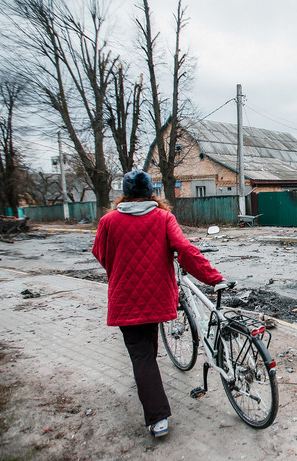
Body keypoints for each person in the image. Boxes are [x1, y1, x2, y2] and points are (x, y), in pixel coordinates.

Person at [92, 170, 224, 438]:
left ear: (125, 194)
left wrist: (117, 271)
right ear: (152, 192)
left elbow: (100, 253)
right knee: (147, 348)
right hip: (157, 296)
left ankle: (158, 418)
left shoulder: (108, 221)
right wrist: (213, 277)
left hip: (125, 298)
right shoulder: (164, 217)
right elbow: (185, 250)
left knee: (141, 356)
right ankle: (153, 397)